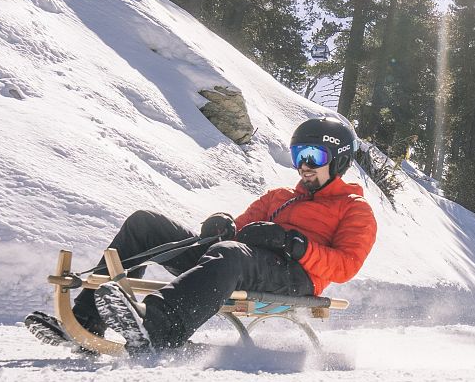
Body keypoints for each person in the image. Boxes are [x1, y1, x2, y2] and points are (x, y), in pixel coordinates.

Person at [26, 116, 377, 355]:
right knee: (145, 223)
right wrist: (221, 224)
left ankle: (160, 327)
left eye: (314, 156)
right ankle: (88, 321)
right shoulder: (278, 198)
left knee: (231, 254)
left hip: (294, 277)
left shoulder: (353, 209)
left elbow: (345, 265)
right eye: (299, 155)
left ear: (339, 160)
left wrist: (293, 244)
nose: (304, 165)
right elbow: (236, 232)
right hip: (239, 262)